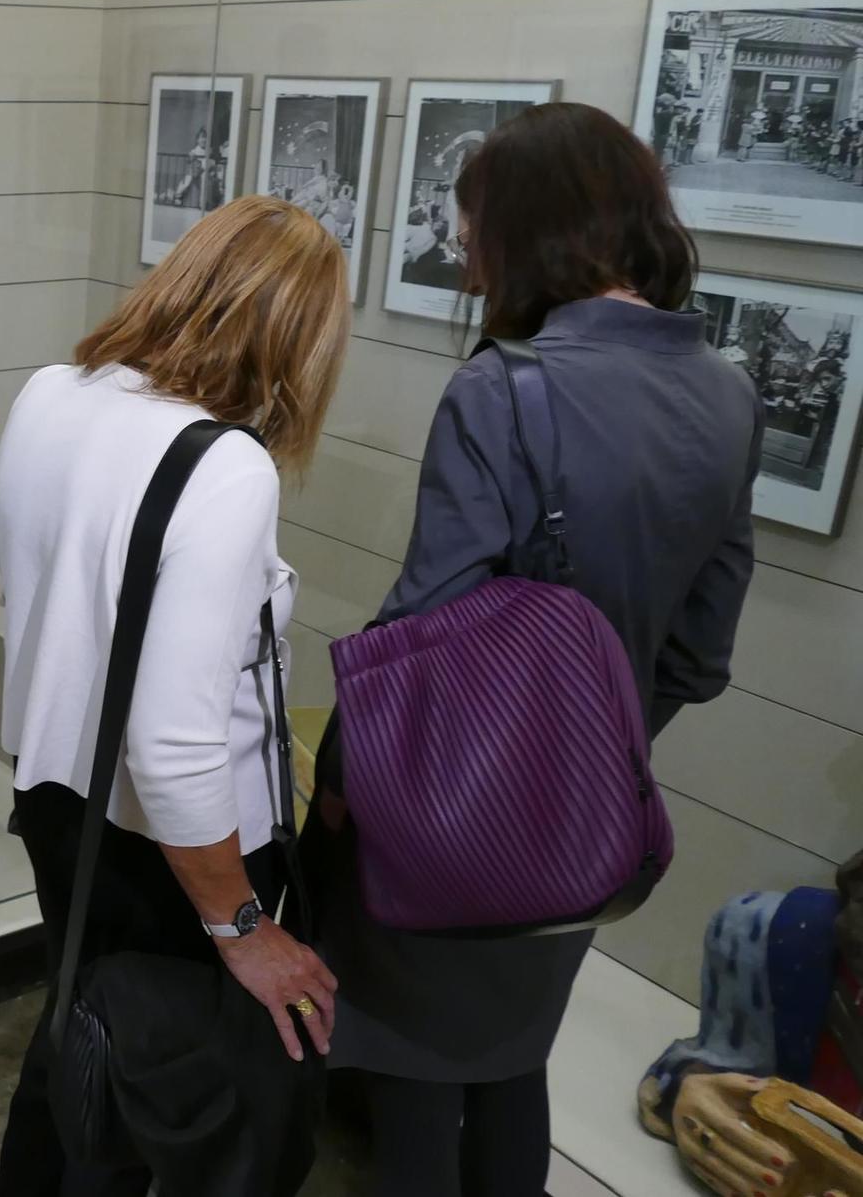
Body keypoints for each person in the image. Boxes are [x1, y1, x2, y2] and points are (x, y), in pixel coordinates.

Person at [313, 101, 760, 1197]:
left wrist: (336, 776)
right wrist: (589, 753)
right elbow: (700, 653)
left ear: (525, 230)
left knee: (415, 1078)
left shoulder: (501, 389)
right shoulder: (728, 391)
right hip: (595, 816)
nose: (466, 265)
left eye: (472, 237)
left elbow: (424, 626)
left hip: (447, 809)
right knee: (512, 1056)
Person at [0, 195, 352, 1195]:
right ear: (291, 332)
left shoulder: (50, 393)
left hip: (56, 802)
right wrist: (242, 926)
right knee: (159, 1088)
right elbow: (174, 741)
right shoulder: (224, 468)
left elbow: (39, 594)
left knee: (82, 1031)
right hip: (171, 850)